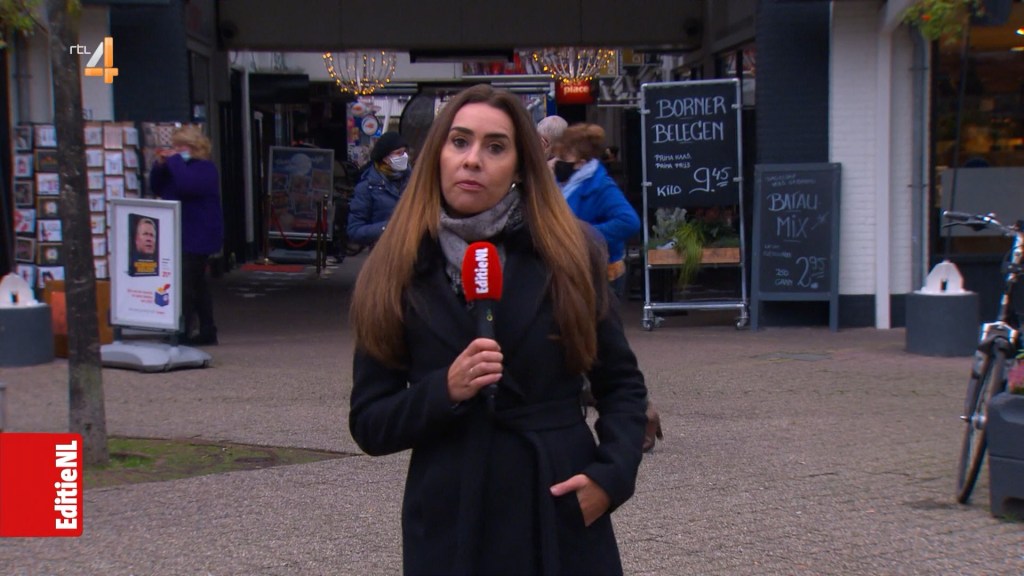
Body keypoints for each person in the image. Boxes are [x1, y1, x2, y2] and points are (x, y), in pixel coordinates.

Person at [348, 84, 648, 575]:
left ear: (520, 166)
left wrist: (610, 478)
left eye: (495, 147)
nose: (473, 160)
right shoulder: (395, 268)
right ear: (437, 155)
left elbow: (622, 385)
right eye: (460, 142)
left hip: (556, 508)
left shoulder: (571, 253)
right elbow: (369, 423)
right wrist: (444, 389)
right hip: (451, 519)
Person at [553, 123, 664, 452]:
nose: (559, 159)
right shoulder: (566, 182)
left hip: (600, 276)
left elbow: (629, 221)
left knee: (601, 352)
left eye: (564, 154)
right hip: (570, 274)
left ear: (579, 158)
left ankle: (643, 413)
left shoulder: (599, 185)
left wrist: (584, 236)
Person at [150, 125, 223, 346]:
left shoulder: (205, 169)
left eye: (181, 146)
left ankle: (182, 330)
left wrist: (174, 161)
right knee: (197, 284)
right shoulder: (178, 167)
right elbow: (157, 187)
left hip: (198, 234)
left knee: (186, 285)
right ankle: (208, 329)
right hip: (179, 232)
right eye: (175, 146)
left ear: (194, 147)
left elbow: (187, 185)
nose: (176, 150)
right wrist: (159, 167)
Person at [346, 131, 411, 247]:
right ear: (386, 158)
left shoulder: (413, 180)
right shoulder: (367, 187)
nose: (404, 156)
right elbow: (354, 230)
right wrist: (387, 228)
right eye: (399, 153)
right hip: (383, 252)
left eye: (405, 152)